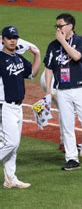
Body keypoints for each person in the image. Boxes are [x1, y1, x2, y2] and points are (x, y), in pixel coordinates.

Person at [44, 13, 82, 171]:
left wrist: (62, 41)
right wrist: (49, 90)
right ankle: (72, 158)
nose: (57, 29)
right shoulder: (52, 46)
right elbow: (49, 67)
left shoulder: (81, 41)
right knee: (67, 125)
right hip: (62, 90)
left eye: (60, 26)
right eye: (56, 26)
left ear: (70, 26)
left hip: (80, 88)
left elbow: (77, 56)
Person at [0, 26, 40, 188]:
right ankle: (10, 177)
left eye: (15, 38)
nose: (12, 41)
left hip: (18, 107)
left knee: (14, 146)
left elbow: (32, 74)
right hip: (4, 106)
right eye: (9, 38)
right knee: (10, 142)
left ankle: (10, 178)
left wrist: (37, 55)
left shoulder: (18, 58)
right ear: (3, 39)